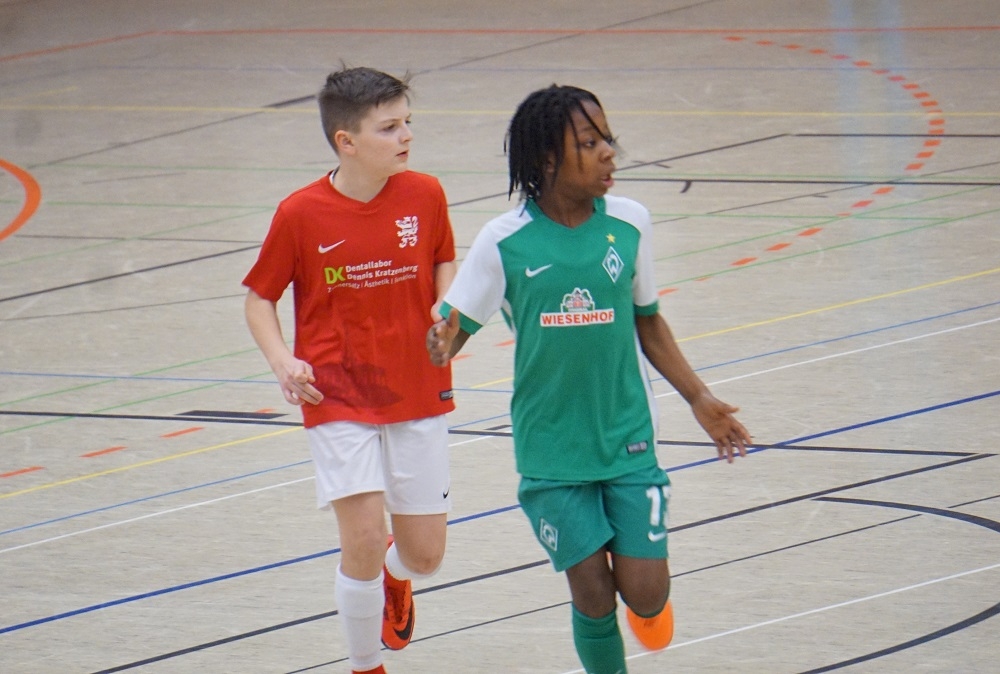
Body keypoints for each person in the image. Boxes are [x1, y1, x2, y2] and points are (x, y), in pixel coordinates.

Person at [427, 84, 751, 674]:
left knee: (645, 592)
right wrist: (440, 342)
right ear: (548, 158)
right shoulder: (504, 241)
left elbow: (648, 320)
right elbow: (455, 330)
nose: (609, 152)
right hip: (551, 449)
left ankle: (648, 607)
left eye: (607, 138)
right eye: (589, 142)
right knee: (593, 593)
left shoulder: (630, 224)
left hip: (626, 435)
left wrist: (700, 398)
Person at [243, 66, 457, 674]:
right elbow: (259, 299)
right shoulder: (300, 213)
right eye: (389, 127)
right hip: (336, 393)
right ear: (347, 141)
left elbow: (443, 259)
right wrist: (283, 361)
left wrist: (446, 309)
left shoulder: (426, 194)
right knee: (360, 537)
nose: (406, 135)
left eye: (407, 122)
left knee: (425, 556)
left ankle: (397, 574)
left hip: (417, 386)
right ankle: (366, 665)